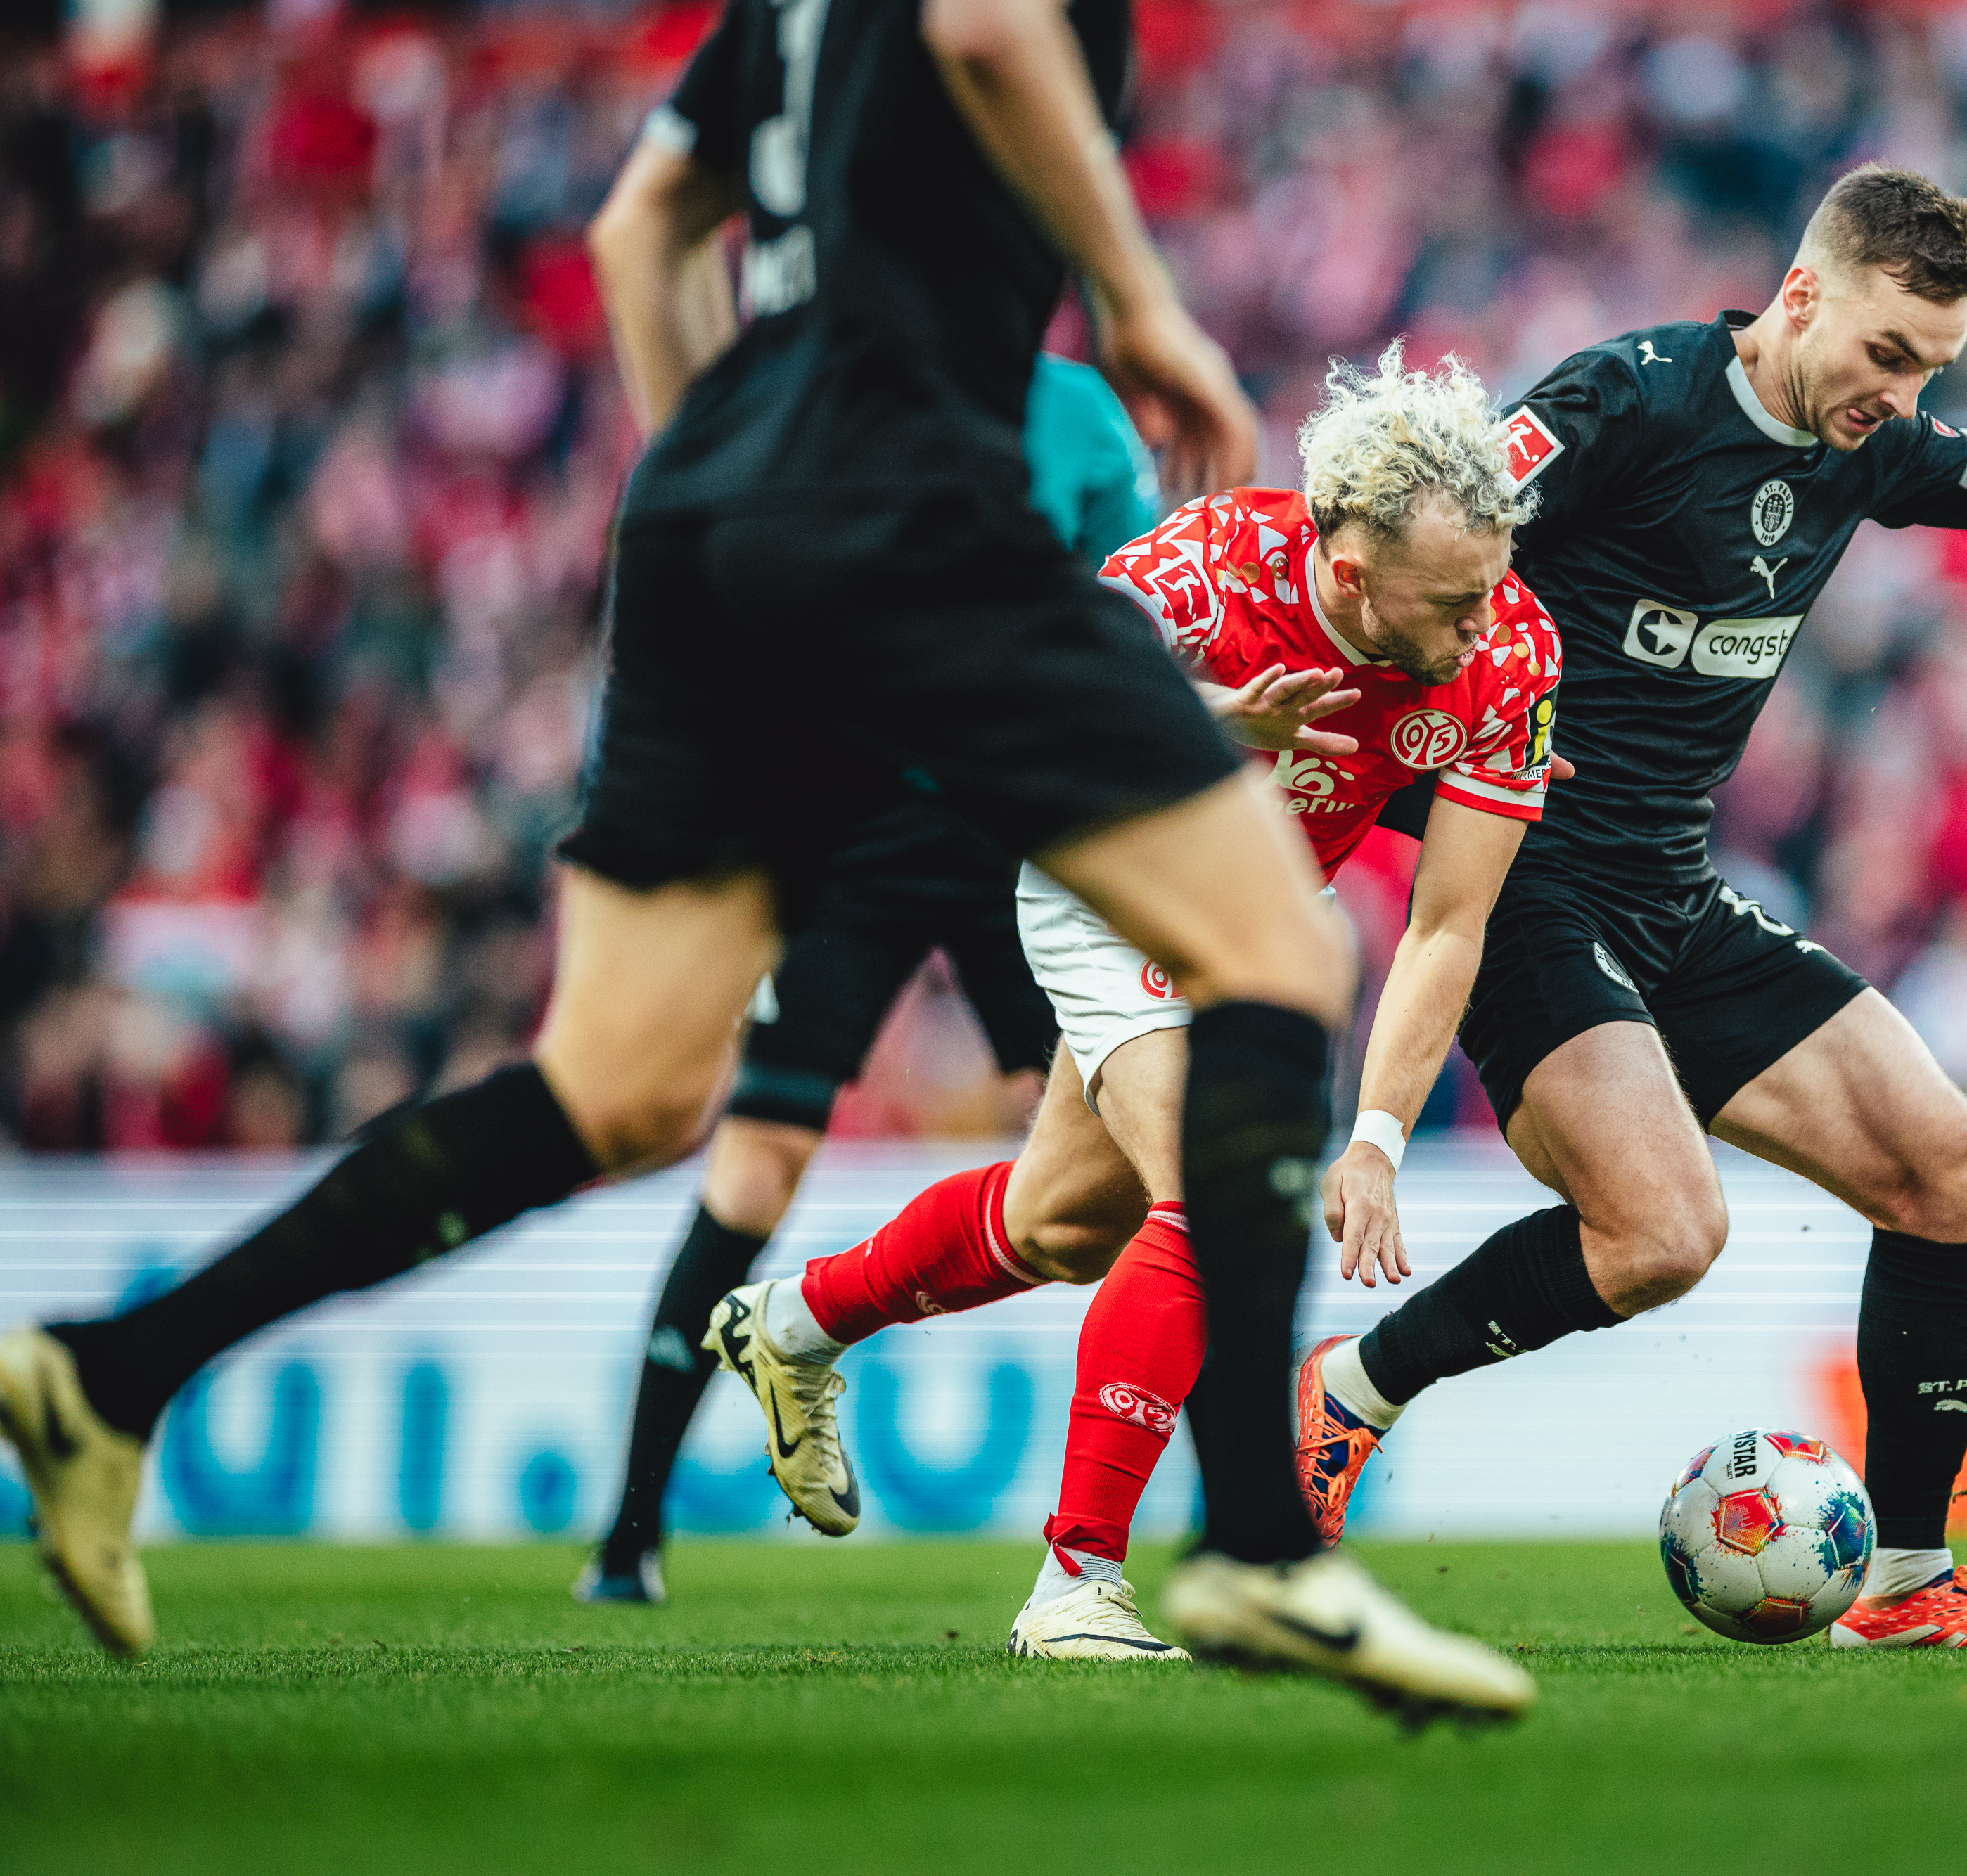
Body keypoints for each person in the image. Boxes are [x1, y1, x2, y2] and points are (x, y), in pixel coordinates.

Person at [0, 0, 1530, 1721]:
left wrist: (735, 495)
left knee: (621, 1088)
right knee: (1281, 953)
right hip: (912, 488)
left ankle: (115, 1372)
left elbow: (636, 232)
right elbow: (986, 25)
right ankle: (1246, 1537)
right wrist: (1134, 292)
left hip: (707, 510)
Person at [1289, 164, 1967, 1650]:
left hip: (1673, 896)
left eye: (1931, 368)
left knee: (1959, 1175)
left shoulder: (1865, 451)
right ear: (1799, 295)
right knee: (1664, 1232)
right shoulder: (1628, 400)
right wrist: (1383, 741)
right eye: (1886, 354)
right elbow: (1425, 536)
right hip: (1527, 894)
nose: (1903, 396)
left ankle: (1909, 1582)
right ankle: (1351, 1388)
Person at [704, 345, 1561, 1662]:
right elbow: (1012, 706)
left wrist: (1379, 1139)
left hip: (1256, 925)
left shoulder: (1513, 651)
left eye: (1491, 588)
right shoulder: (1208, 569)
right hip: (1111, 872)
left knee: (1059, 1226)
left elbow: (1449, 922)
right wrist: (1210, 722)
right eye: (1452, 602)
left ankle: (793, 1324)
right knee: (1216, 1202)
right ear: (1347, 571)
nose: (1481, 626)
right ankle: (1076, 1585)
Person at [572, 354, 1155, 1608]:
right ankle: (629, 1535)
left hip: (1017, 830)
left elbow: (1137, 610)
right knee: (757, 1166)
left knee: (1128, 1162)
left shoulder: (1073, 414)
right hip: (845, 835)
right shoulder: (831, 394)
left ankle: (1223, 1526)